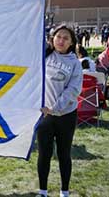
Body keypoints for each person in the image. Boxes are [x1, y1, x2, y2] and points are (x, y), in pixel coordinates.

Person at [37, 24, 83, 197]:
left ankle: (64, 191)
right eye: (58, 37)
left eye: (65, 38)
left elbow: (73, 90)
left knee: (64, 154)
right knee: (44, 155)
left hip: (65, 116)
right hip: (44, 116)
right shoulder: (44, 55)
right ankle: (42, 191)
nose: (61, 40)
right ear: (52, 38)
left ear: (71, 43)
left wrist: (54, 109)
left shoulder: (75, 64)